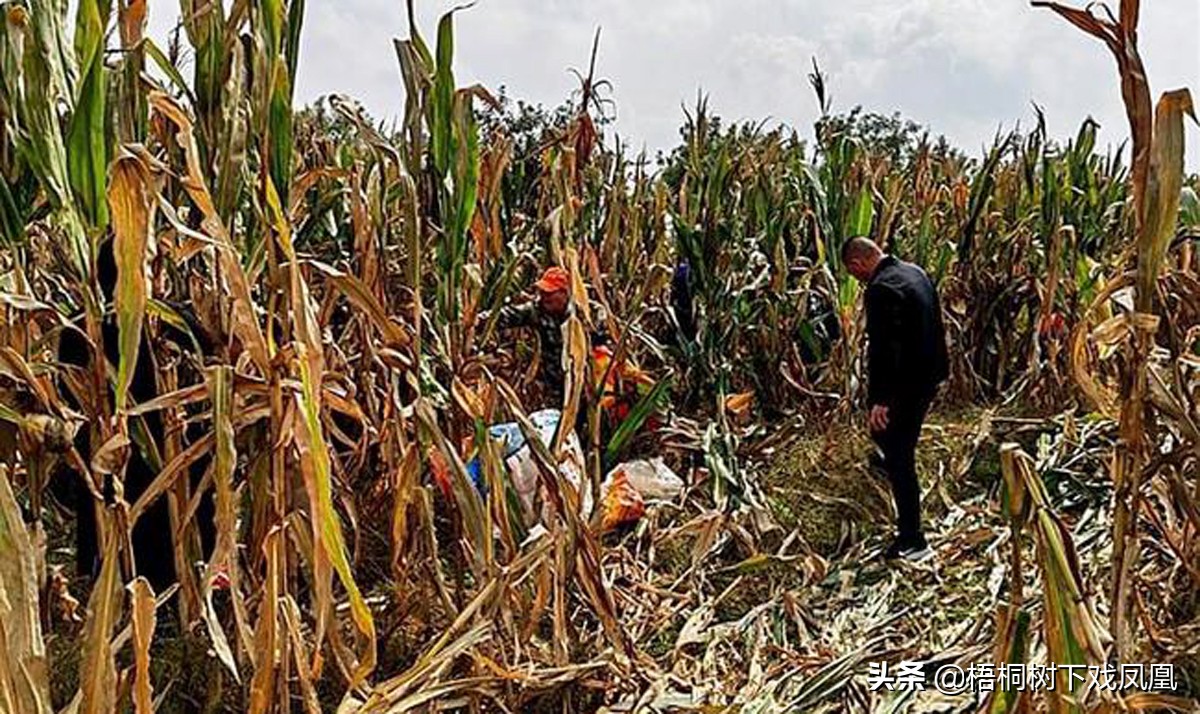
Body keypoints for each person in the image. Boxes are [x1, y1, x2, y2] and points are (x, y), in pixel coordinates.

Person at [841, 237, 948, 562]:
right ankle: (887, 459)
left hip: (906, 384)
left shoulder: (881, 289)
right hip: (930, 374)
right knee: (890, 441)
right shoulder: (914, 271)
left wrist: (882, 399)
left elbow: (887, 350)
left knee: (901, 455)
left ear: (858, 264)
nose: (856, 279)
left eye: (852, 272)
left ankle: (913, 539)